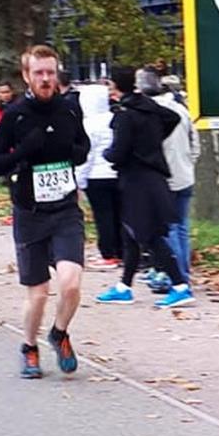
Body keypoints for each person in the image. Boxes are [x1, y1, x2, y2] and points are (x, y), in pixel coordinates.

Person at [0, 45, 90, 378]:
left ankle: (59, 333)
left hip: (65, 209)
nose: (46, 79)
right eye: (39, 73)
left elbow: (84, 147)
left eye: (50, 72)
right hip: (30, 212)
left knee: (71, 283)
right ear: (27, 76)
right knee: (39, 292)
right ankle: (29, 346)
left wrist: (72, 152)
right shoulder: (15, 115)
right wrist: (23, 153)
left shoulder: (70, 110)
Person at [97, 65, 192, 307]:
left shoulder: (124, 115)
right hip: (154, 178)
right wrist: (152, 141)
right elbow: (172, 118)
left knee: (148, 236)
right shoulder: (146, 106)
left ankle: (180, 286)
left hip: (137, 182)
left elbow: (118, 152)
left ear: (115, 86)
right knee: (130, 234)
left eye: (109, 85)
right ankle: (124, 286)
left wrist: (106, 154)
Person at [138, 67, 200, 286]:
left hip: (165, 179)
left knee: (167, 228)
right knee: (182, 226)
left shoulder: (150, 113)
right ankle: (183, 272)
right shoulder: (181, 110)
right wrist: (188, 163)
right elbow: (195, 144)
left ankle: (174, 277)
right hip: (185, 175)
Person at [76, 84, 122, 269]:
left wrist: (79, 180)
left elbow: (87, 155)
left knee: (103, 216)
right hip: (117, 174)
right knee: (118, 214)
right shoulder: (115, 119)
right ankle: (121, 250)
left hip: (96, 175)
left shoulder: (88, 124)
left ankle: (108, 253)